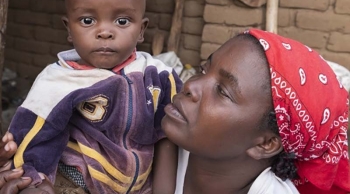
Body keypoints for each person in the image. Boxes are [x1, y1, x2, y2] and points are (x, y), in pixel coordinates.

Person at [1, 29, 349, 194]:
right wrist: (27, 168)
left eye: (223, 91)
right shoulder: (142, 141)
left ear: (266, 142)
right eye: (203, 69)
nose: (191, 86)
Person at [5, 0, 182, 194]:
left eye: (122, 21)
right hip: (75, 184)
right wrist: (36, 182)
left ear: (141, 30)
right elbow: (33, 140)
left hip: (140, 187)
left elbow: (166, 137)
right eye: (88, 20)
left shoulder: (159, 76)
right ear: (69, 29)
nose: (105, 32)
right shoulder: (59, 82)